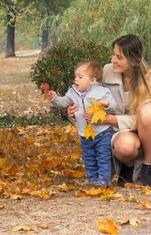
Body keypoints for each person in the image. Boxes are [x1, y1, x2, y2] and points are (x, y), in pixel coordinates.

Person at [69, 34, 151, 186]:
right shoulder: (107, 71)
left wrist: (113, 119)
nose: (113, 60)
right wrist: (74, 111)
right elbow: (88, 96)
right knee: (124, 147)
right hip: (121, 131)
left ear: (132, 60)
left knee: (148, 112)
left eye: (119, 57)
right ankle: (128, 166)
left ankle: (148, 166)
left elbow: (142, 117)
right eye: (113, 55)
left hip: (150, 129)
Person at [48, 60, 117, 188]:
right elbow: (63, 102)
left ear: (92, 81)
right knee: (88, 157)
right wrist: (54, 98)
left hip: (102, 133)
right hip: (84, 134)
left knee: (103, 156)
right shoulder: (72, 92)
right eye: (75, 76)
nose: (76, 79)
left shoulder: (102, 91)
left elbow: (113, 105)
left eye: (80, 77)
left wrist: (106, 103)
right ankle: (92, 178)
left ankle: (104, 178)